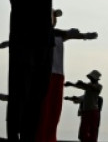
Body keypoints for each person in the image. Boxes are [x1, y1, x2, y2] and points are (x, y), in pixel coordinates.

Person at [4, 0, 108, 142]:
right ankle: (13, 137)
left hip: (44, 43)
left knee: (37, 96)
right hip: (23, 40)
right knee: (20, 92)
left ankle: (30, 137)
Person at [36, 9, 98, 142]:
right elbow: (66, 33)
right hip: (45, 75)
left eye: (55, 17)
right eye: (52, 16)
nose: (55, 19)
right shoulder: (38, 32)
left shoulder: (58, 34)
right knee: (44, 112)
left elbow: (69, 34)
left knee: (55, 112)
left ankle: (50, 138)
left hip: (58, 76)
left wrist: (85, 36)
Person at [65, 70, 103, 142]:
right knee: (83, 132)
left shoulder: (99, 86)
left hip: (93, 112)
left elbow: (88, 87)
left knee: (92, 132)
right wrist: (72, 84)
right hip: (86, 112)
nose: (90, 79)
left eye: (91, 77)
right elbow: (82, 88)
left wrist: (75, 84)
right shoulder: (88, 88)